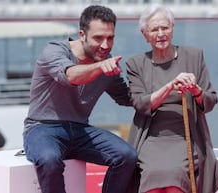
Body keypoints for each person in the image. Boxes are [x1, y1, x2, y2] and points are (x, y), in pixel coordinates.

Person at [22, 5, 137, 193]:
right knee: (49, 159)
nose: (105, 45)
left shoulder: (106, 63)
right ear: (82, 34)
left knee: (127, 156)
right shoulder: (54, 51)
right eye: (98, 38)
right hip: (42, 127)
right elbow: (71, 76)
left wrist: (166, 88)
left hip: (80, 130)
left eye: (110, 38)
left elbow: (127, 98)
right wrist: (100, 67)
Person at [126, 5, 218, 193]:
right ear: (145, 34)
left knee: (174, 174)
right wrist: (170, 85)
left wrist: (195, 90)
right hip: (151, 137)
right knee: (153, 173)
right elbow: (140, 104)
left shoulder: (194, 56)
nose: (161, 33)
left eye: (165, 27)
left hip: (186, 135)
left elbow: (210, 101)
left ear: (172, 29)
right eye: (154, 29)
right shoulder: (136, 64)